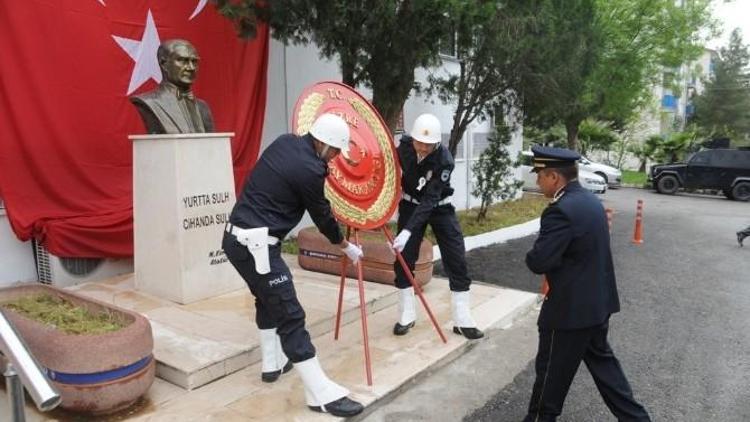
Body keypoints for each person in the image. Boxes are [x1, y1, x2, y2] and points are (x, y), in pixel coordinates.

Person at [222, 113, 364, 417]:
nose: (338, 158)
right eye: (336, 152)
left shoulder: (285, 142)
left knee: (266, 298)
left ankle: (271, 364)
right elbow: (323, 215)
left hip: (237, 240)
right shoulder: (310, 169)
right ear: (324, 145)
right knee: (290, 314)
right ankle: (320, 394)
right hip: (257, 245)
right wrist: (346, 247)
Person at [522, 145, 651, 422]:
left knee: (549, 380)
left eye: (540, 175)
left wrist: (540, 254)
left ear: (554, 177)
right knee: (606, 371)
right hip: (596, 305)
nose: (537, 181)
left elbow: (539, 261)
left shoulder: (560, 210)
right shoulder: (589, 201)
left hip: (568, 313)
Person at [390, 113, 483, 340]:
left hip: (439, 206)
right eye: (418, 143)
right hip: (410, 205)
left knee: (456, 257)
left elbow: (430, 199)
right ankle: (407, 314)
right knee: (403, 259)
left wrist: (407, 230)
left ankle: (462, 319)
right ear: (412, 139)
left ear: (436, 143)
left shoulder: (445, 160)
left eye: (427, 145)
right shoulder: (403, 147)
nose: (421, 148)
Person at [130, 39, 215, 134]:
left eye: (194, 61)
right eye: (182, 61)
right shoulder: (149, 102)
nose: (191, 68)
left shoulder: (202, 107)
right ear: (164, 64)